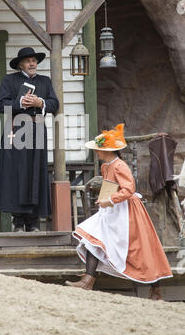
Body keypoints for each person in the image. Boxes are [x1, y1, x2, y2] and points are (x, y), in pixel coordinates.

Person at [65, 123, 173, 300]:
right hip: (111, 210)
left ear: (107, 150)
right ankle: (88, 281)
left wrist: (110, 200)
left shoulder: (119, 165)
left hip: (126, 212)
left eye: (99, 149)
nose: (97, 152)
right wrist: (104, 200)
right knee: (93, 237)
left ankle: (156, 289)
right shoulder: (106, 166)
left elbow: (129, 189)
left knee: (140, 249)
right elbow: (110, 186)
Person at [0, 47, 59, 232]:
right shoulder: (10, 80)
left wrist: (41, 103)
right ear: (21, 64)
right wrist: (20, 103)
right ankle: (18, 222)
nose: (32, 64)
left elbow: (54, 103)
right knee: (17, 174)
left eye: (34, 61)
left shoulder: (44, 82)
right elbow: (1, 105)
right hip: (16, 130)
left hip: (37, 130)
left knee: (35, 172)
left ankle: (33, 222)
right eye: (28, 61)